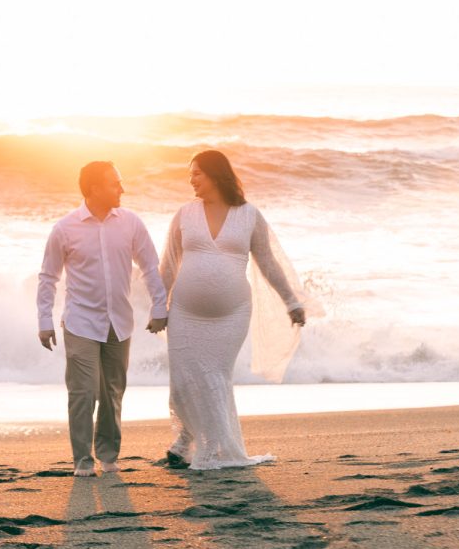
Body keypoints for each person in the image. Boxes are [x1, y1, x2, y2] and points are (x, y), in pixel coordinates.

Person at [154, 149, 310, 471]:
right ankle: (184, 443)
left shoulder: (249, 215)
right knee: (183, 380)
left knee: (214, 376)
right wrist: (158, 307)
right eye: (190, 175)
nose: (192, 180)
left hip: (231, 315)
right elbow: (168, 265)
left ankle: (209, 449)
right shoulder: (185, 214)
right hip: (184, 312)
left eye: (197, 173)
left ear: (215, 174)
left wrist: (291, 301)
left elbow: (267, 262)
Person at [37, 161, 168, 477]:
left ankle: (108, 456)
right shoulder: (65, 228)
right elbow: (48, 276)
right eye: (114, 183)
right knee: (83, 391)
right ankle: (82, 460)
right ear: (94, 188)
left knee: (112, 391)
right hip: (81, 321)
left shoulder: (131, 223)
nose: (122, 189)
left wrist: (160, 307)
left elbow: (150, 267)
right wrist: (44, 320)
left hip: (119, 322)